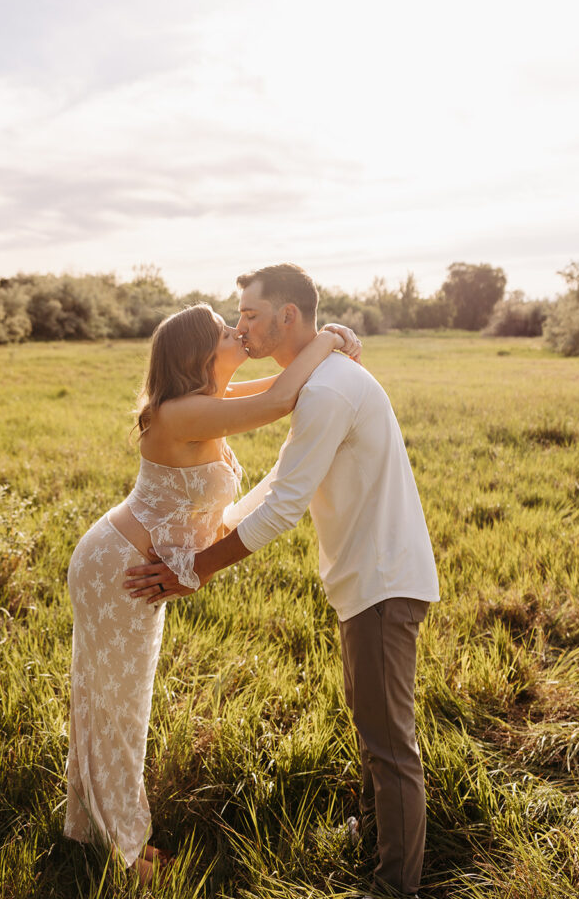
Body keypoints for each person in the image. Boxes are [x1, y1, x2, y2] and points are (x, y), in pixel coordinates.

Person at [124, 264, 440, 899]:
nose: (240, 325)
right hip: (367, 579)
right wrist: (208, 542)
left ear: (287, 317)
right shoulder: (320, 381)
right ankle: (379, 836)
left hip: (382, 580)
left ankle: (394, 885)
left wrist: (195, 569)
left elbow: (284, 507)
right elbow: (277, 484)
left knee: (389, 742)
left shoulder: (327, 390)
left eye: (249, 314)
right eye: (238, 316)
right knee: (371, 721)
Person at [63, 301, 360, 885]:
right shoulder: (180, 412)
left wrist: (333, 340)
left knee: (112, 704)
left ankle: (97, 830)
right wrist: (325, 341)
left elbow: (282, 386)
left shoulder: (207, 402)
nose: (240, 332)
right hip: (119, 568)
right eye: (228, 330)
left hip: (129, 562)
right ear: (201, 354)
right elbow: (278, 402)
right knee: (116, 709)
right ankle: (125, 853)